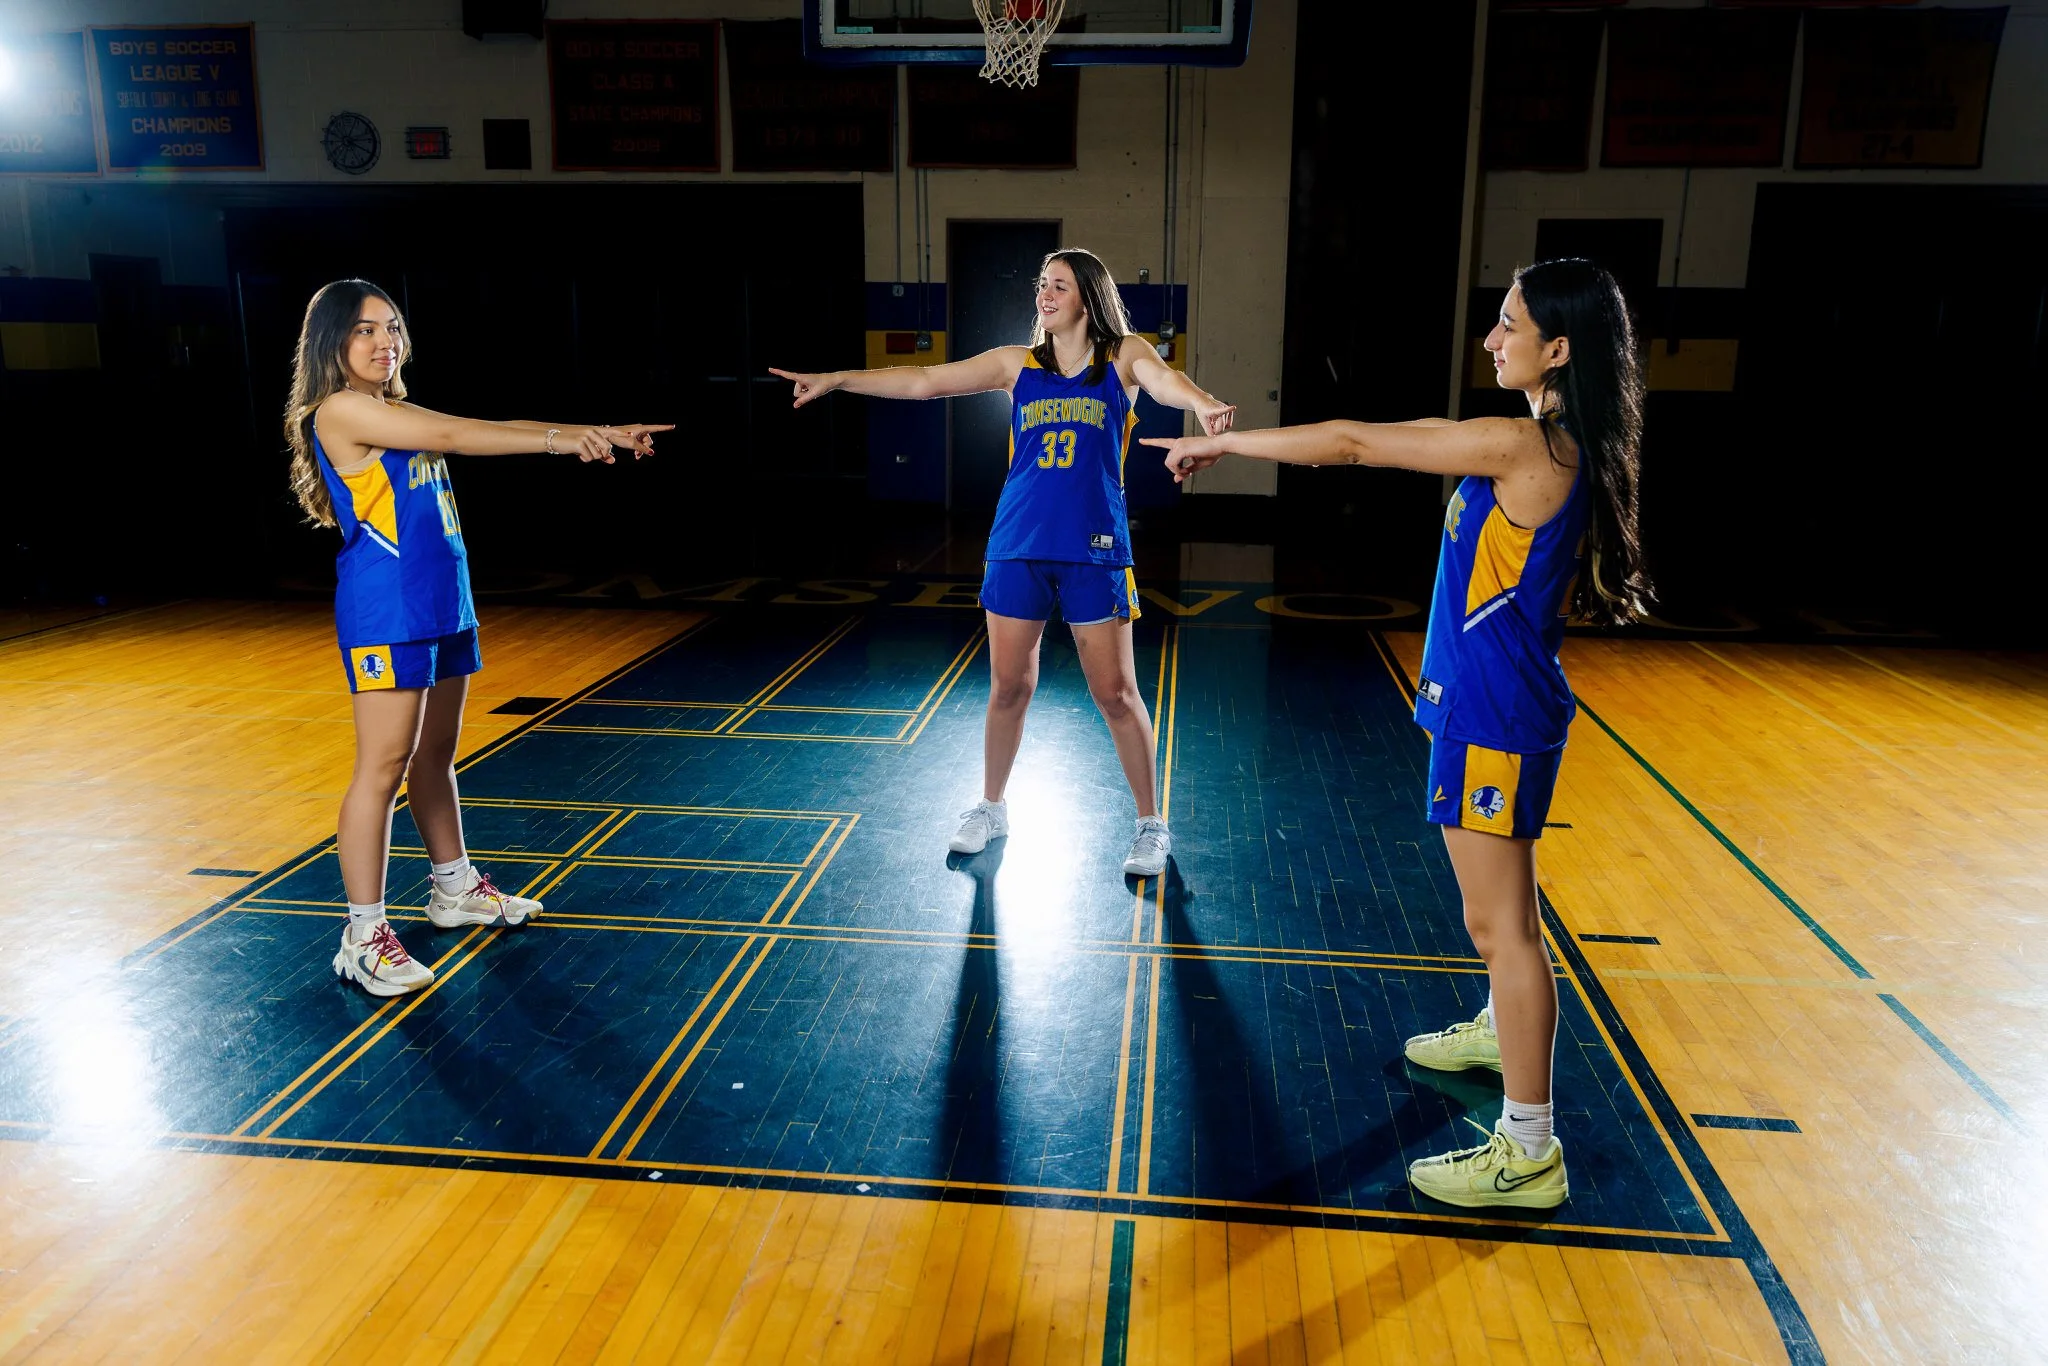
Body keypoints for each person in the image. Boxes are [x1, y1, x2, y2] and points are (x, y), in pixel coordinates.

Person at [1143, 258, 1650, 1209]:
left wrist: (1229, 445)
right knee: (1505, 925)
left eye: (1509, 324)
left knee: (1503, 930)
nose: (1493, 340)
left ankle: (1529, 1150)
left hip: (1496, 719)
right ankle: (1505, 1033)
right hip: (1488, 706)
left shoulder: (1527, 447)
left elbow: (1351, 443)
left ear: (1560, 346)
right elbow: (1392, 440)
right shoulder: (1537, 442)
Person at [771, 248, 1234, 877]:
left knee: (1117, 693)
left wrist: (1203, 403)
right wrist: (840, 379)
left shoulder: (1121, 356)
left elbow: (1163, 381)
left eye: (1060, 286)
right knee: (1009, 686)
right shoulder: (1018, 365)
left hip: (1094, 547)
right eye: (1042, 285)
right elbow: (925, 381)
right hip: (1016, 543)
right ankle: (991, 808)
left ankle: (1151, 825)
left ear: (1088, 297)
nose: (1045, 295)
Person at [284, 278, 670, 997]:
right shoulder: (340, 410)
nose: (383, 341)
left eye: (392, 327)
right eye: (365, 330)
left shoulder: (390, 408)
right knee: (383, 767)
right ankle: (362, 935)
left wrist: (595, 432)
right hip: (387, 613)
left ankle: (453, 888)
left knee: (436, 756)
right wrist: (564, 441)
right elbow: (459, 434)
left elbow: (467, 425)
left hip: (443, 603)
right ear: (331, 341)